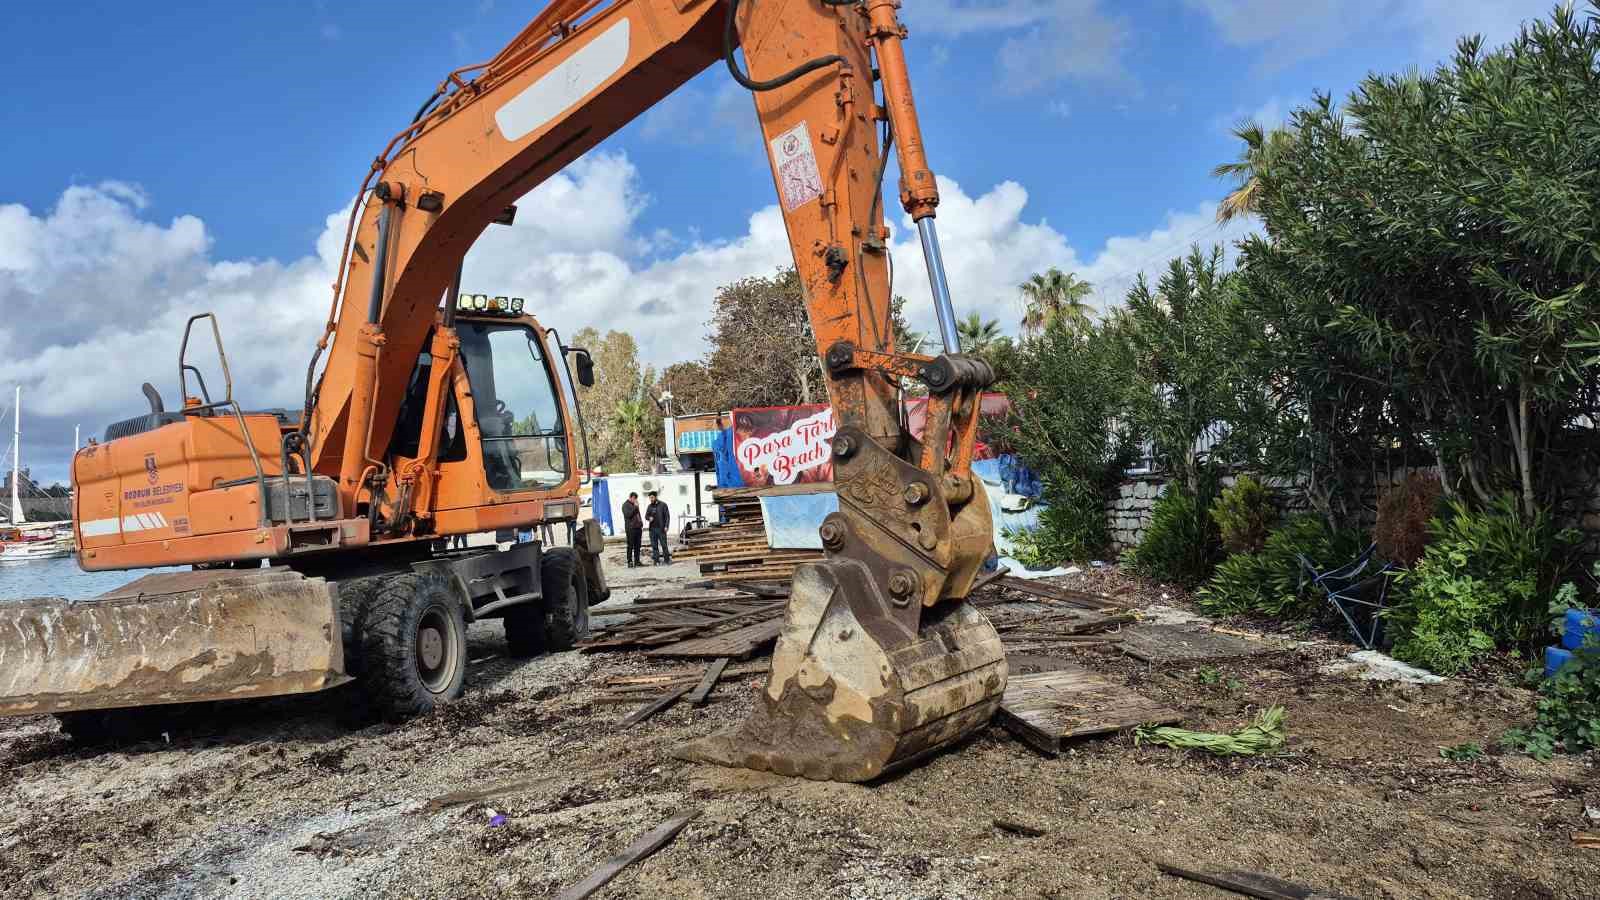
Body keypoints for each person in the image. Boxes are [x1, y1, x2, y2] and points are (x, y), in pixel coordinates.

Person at [646, 490, 671, 564]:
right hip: (652, 529)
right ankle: (656, 560)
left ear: (656, 497)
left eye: (652, 497)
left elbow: (667, 516)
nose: (651, 499)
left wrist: (666, 526)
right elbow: (646, 515)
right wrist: (649, 518)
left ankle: (667, 560)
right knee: (654, 546)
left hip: (661, 529)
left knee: (664, 545)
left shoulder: (663, 505)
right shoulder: (649, 506)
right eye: (650, 498)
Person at [621, 492, 643, 567]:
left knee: (638, 545)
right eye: (634, 498)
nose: (635, 500)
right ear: (630, 497)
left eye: (636, 499)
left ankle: (637, 561)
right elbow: (628, 515)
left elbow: (638, 515)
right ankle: (630, 561)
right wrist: (635, 507)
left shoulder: (635, 505)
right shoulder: (625, 505)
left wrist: (641, 523)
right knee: (630, 545)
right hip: (631, 528)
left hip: (638, 528)